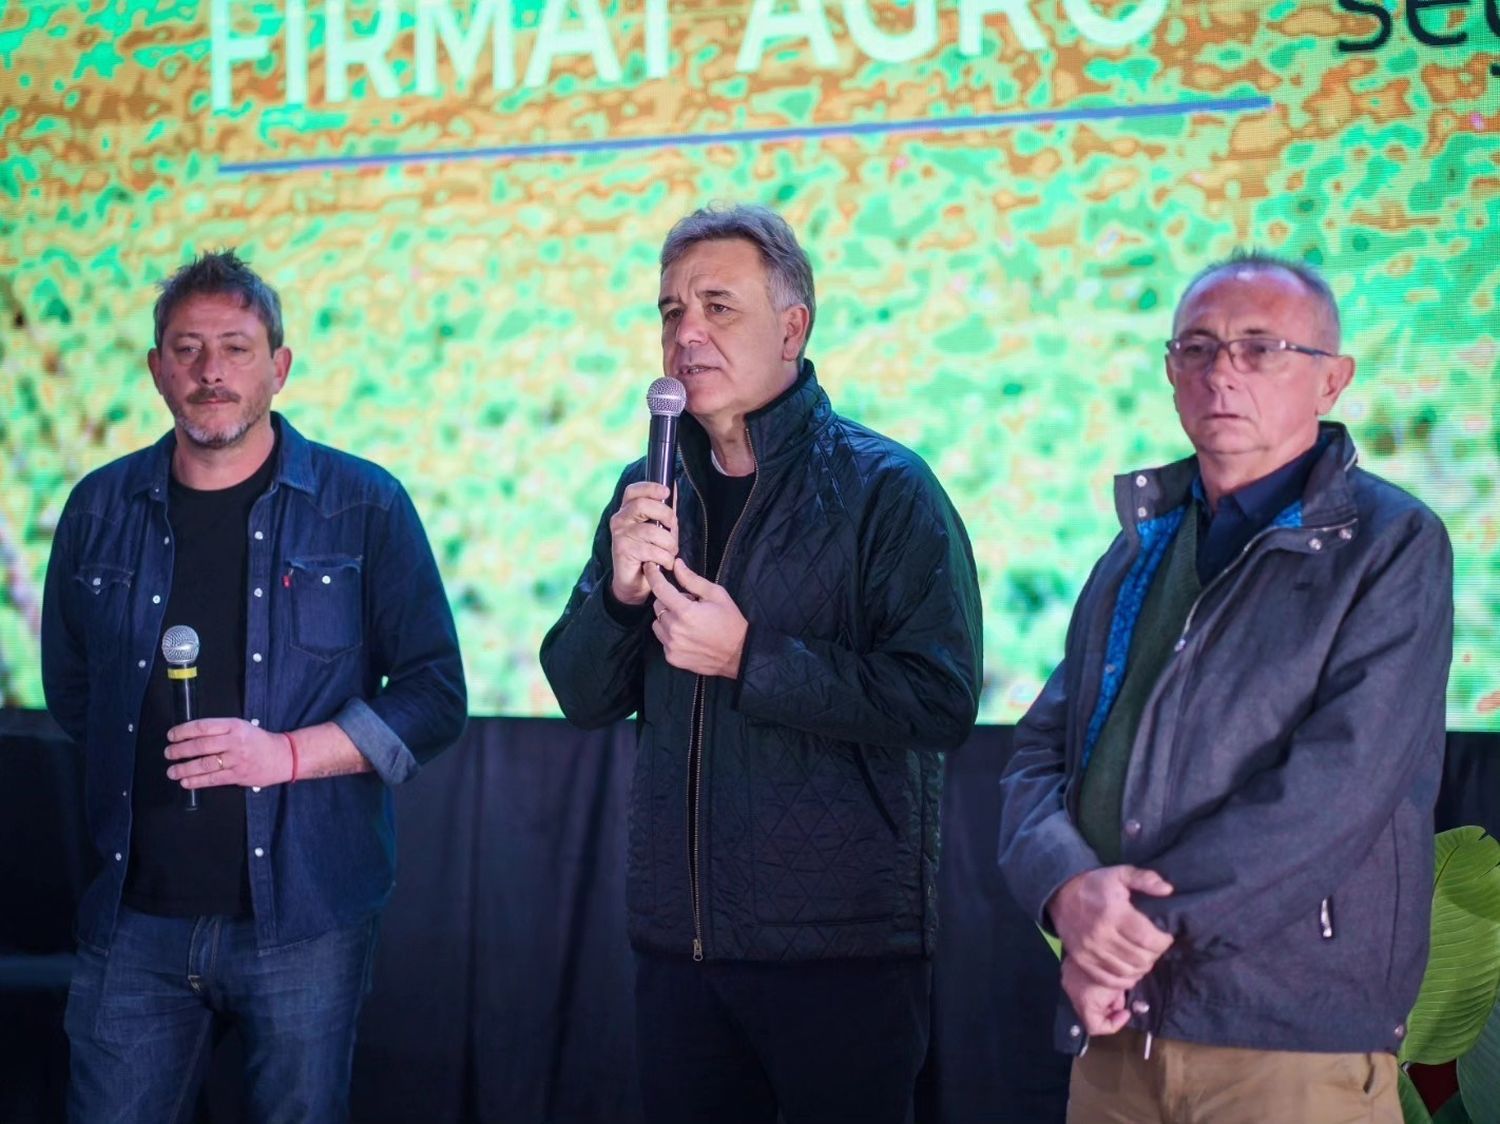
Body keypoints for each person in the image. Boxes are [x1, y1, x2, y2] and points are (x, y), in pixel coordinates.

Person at [541, 203, 983, 1123]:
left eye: (716, 306)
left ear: (794, 326)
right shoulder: (649, 488)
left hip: (841, 955)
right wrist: (621, 599)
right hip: (682, 953)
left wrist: (751, 657)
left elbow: (939, 700)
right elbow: (582, 696)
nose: (685, 334)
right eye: (669, 312)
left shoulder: (885, 489)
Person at [997, 251, 1453, 1123]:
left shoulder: (1394, 544)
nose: (1221, 372)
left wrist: (1130, 936)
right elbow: (1038, 752)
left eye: (1260, 348)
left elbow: (1340, 787)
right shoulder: (1140, 547)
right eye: (1197, 349)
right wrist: (1066, 889)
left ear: (1333, 381)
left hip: (1286, 1043)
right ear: (1171, 373)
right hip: (1120, 1037)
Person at [40, 249, 467, 1123]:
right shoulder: (97, 508)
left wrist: (286, 756)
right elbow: (75, 692)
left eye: (235, 348)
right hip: (133, 919)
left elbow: (433, 694)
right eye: (187, 349)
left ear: (279, 367)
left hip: (307, 921)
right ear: (156, 368)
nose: (210, 373)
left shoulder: (364, 505)